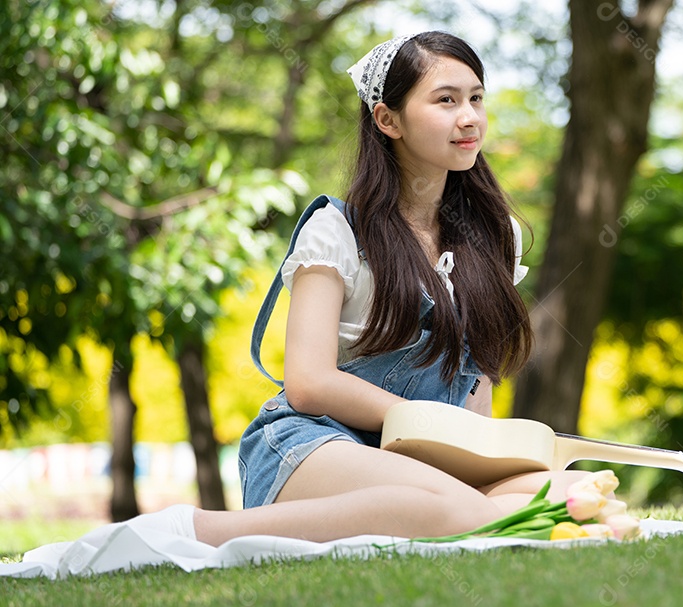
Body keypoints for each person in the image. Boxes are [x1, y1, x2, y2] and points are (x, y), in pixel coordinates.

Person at [128, 31, 594, 547]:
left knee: (575, 492)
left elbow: (475, 382)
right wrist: (429, 425)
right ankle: (199, 530)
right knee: (460, 507)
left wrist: (470, 447)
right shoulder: (336, 229)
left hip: (421, 455)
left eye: (476, 98)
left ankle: (441, 509)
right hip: (317, 443)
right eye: (446, 100)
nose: (470, 118)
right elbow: (308, 382)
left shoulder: (494, 237)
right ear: (387, 119)